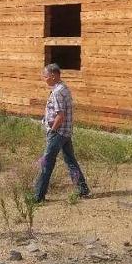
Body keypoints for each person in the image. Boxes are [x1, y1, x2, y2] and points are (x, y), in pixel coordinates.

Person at [34, 63, 91, 202]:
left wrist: (52, 132)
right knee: (71, 161)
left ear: (53, 76)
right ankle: (82, 189)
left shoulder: (58, 92)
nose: (44, 79)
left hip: (58, 133)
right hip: (65, 132)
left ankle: (37, 196)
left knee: (46, 163)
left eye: (45, 76)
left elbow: (60, 116)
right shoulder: (63, 88)